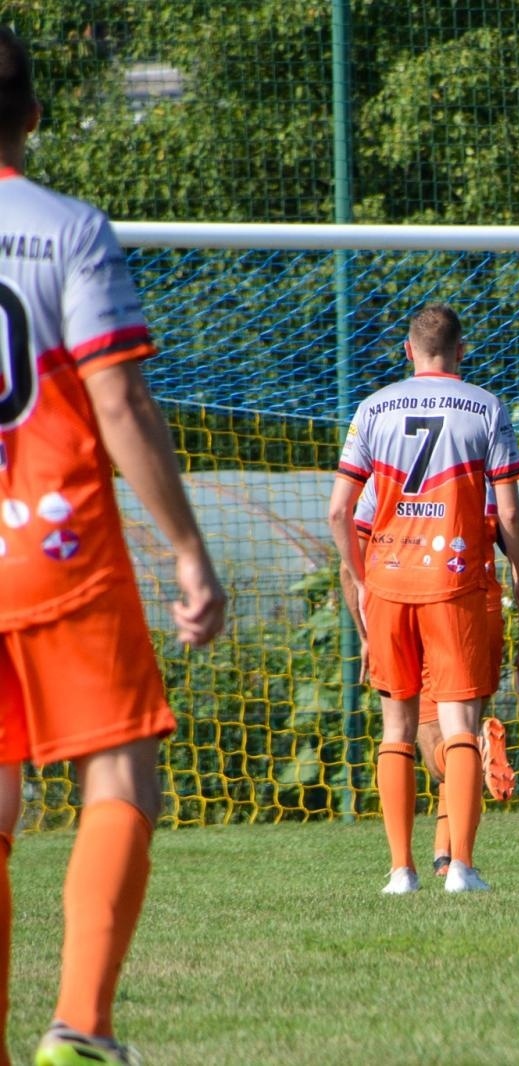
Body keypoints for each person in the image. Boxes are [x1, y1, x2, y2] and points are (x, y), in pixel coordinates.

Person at [0, 28, 227, 1066]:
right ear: (32, 118)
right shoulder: (68, 230)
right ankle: (80, 1028)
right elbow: (119, 396)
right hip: (56, 548)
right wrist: (187, 546)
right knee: (121, 775)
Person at [328, 303, 519, 895]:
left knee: (396, 728)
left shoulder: (372, 409)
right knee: (459, 723)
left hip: (389, 584)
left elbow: (339, 513)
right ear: (463, 350)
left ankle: (401, 872)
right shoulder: (485, 406)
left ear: (407, 351)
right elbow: (506, 510)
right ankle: (462, 870)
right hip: (455, 581)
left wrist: (363, 584)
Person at [339, 480, 519, 877]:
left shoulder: (385, 477)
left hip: (411, 606)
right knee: (457, 732)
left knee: (436, 746)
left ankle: (477, 753)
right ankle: (447, 859)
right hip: (478, 611)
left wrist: (366, 635)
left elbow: (351, 565)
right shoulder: (481, 477)